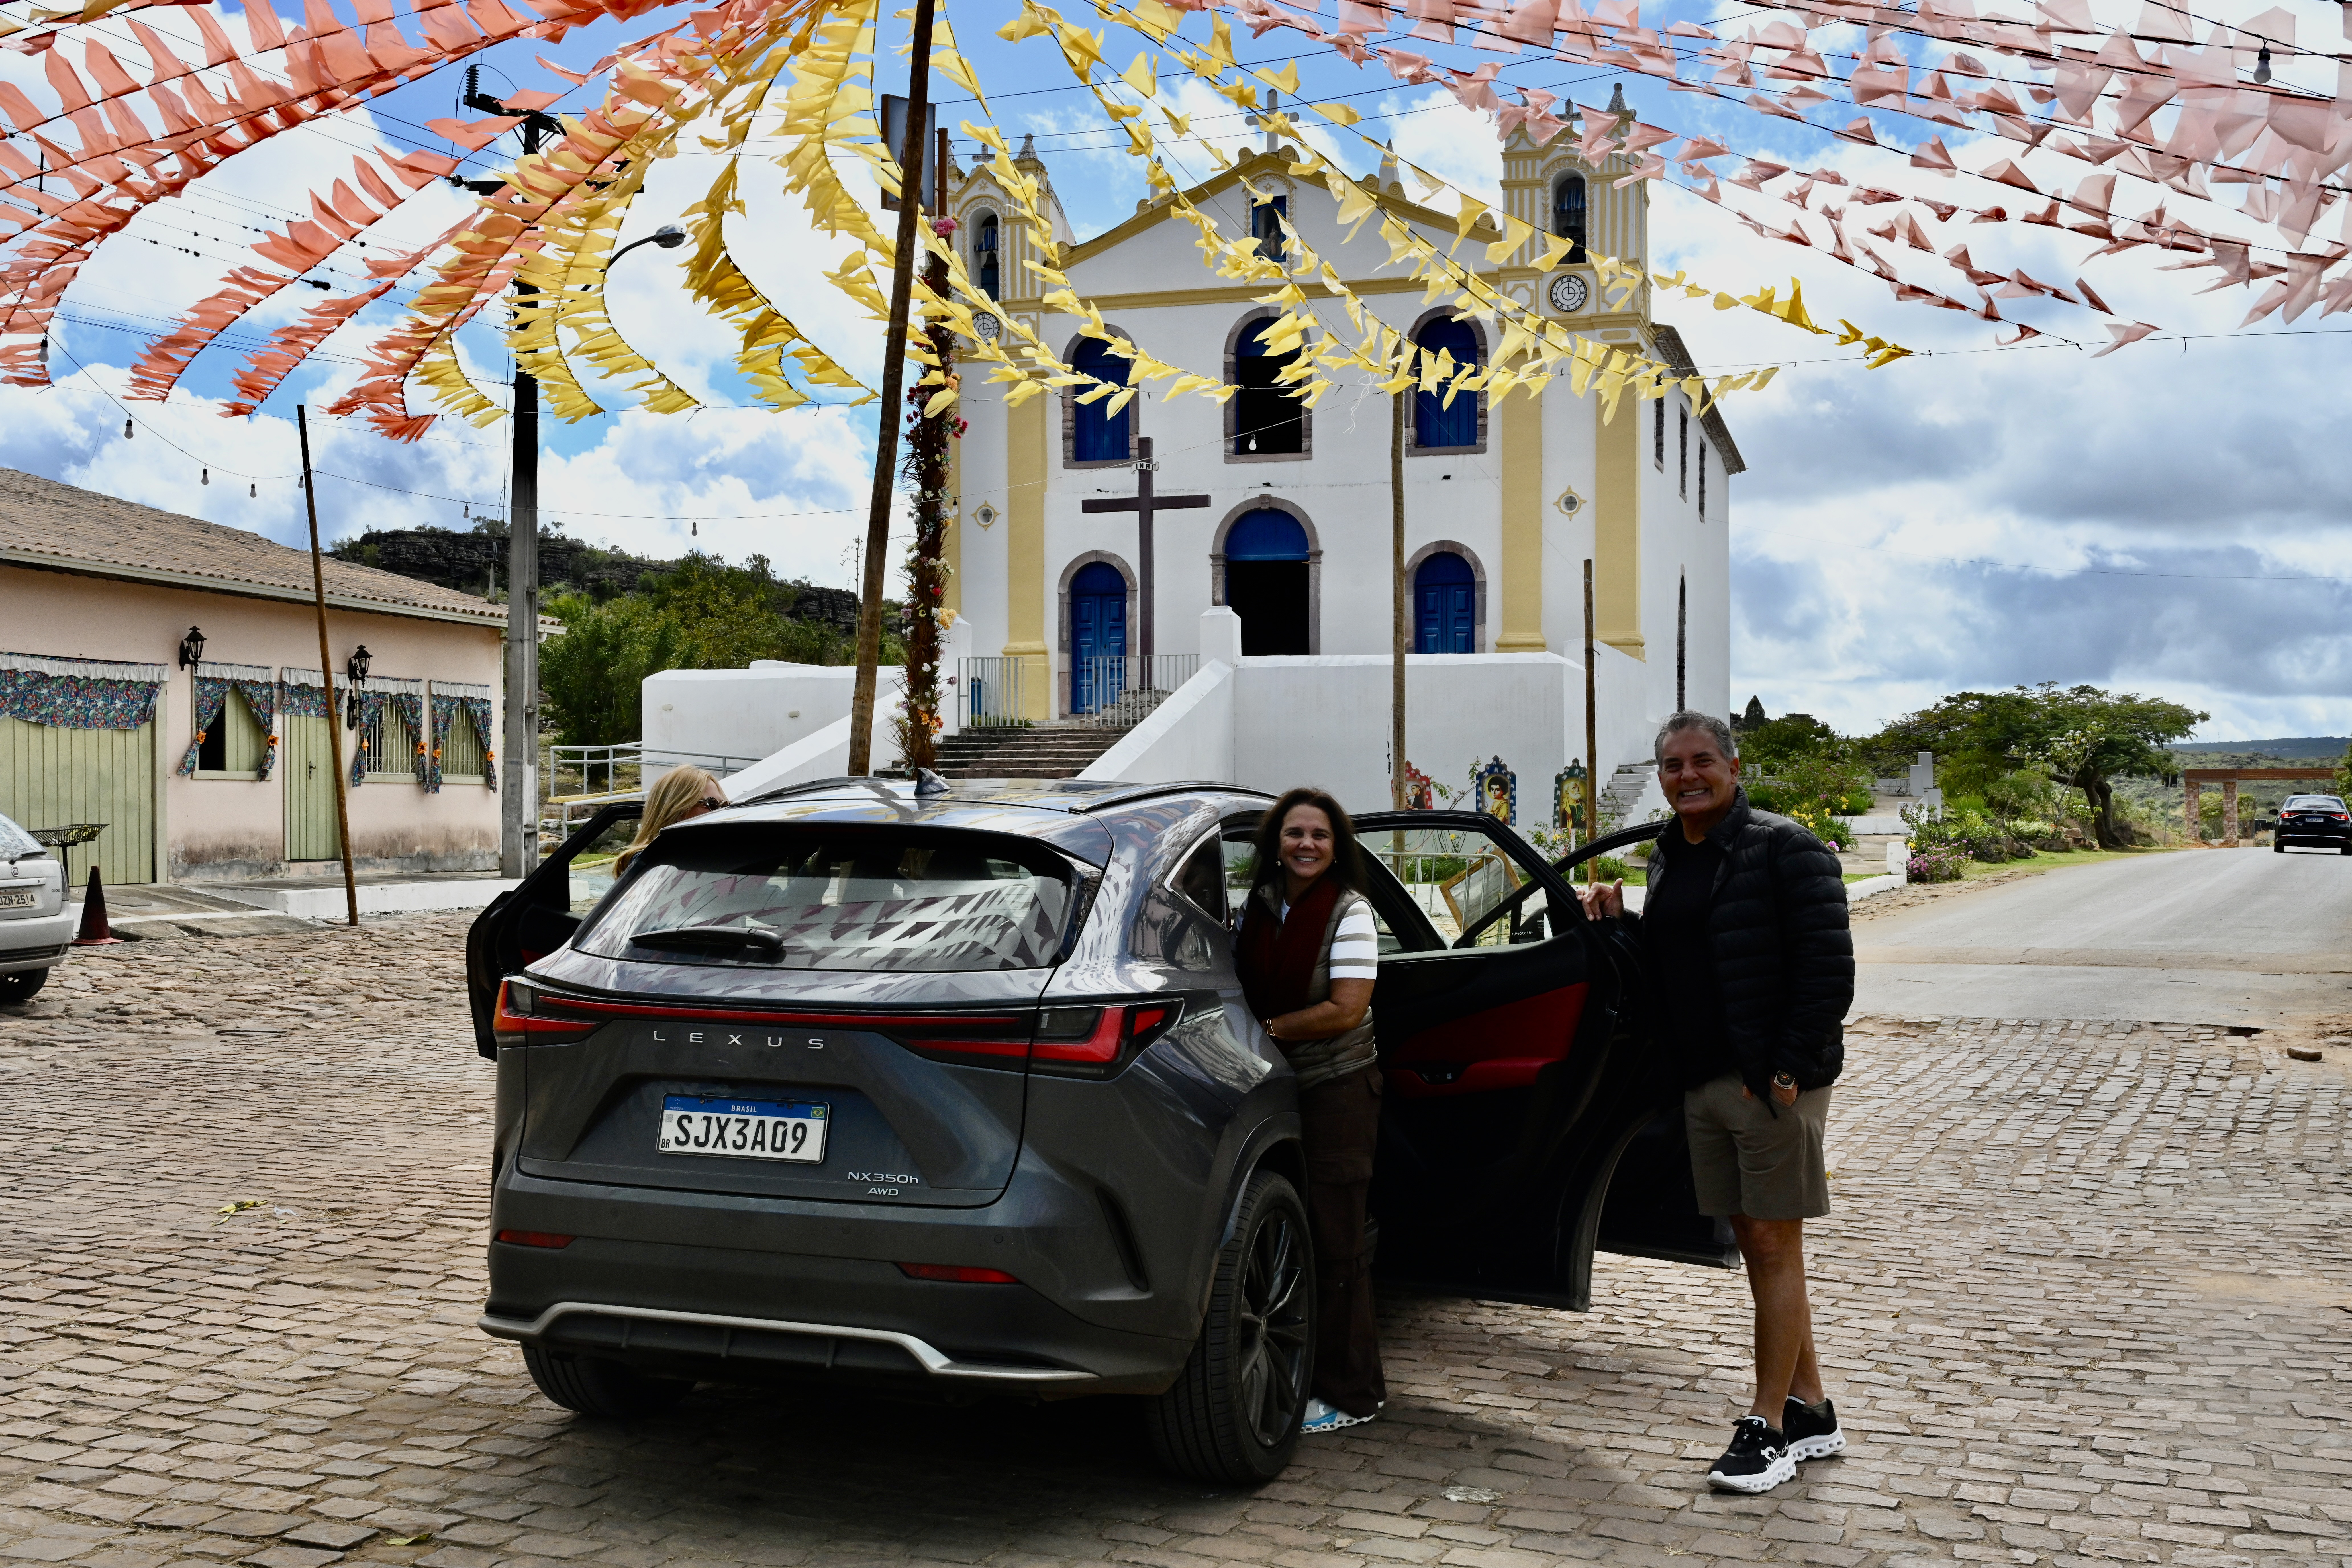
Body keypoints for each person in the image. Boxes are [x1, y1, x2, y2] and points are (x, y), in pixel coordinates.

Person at [1580, 711, 1853, 1495]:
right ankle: (1811, 1408)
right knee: (1757, 1243)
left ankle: (1766, 1429)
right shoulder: (1670, 855)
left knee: (1773, 1245)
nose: (1686, 776)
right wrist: (1618, 924)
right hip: (1702, 1080)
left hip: (1769, 1086)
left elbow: (1826, 973)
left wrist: (1787, 1075)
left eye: (1702, 761)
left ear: (1734, 767)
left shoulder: (1785, 847)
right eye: (1672, 765)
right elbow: (1686, 959)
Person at [1231, 787, 1386, 1434]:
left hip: (1338, 1089)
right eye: (1294, 833)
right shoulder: (1260, 907)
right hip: (1277, 1087)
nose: (1305, 845)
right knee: (1297, 1239)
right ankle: (1305, 1377)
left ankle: (1353, 1392)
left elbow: (1345, 1009)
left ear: (1336, 845)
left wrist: (1263, 1028)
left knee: (1337, 1244)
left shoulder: (1350, 912)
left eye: (1319, 835)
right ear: (1275, 843)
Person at [612, 766, 726, 878]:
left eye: (725, 805)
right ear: (678, 811)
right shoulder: (654, 863)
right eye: (712, 804)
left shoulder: (725, 854)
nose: (722, 812)